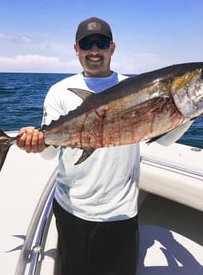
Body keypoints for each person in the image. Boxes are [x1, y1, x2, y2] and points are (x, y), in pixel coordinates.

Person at [17, 17, 140, 275]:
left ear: (112, 48)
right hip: (70, 208)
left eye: (101, 43)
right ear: (76, 49)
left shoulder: (134, 88)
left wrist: (191, 114)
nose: (94, 50)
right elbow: (49, 154)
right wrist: (36, 143)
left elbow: (164, 138)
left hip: (119, 211)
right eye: (87, 44)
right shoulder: (59, 92)